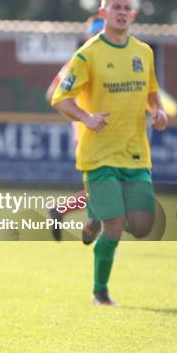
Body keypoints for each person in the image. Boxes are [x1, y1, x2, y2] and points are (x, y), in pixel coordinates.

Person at [51, 0, 168, 306]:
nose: (121, 11)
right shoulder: (87, 54)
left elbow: (151, 93)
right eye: (115, 6)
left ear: (133, 15)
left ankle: (93, 219)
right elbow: (59, 97)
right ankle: (100, 292)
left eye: (126, 7)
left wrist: (157, 111)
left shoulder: (144, 52)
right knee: (115, 225)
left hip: (135, 152)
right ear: (103, 13)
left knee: (143, 224)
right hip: (98, 153)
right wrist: (86, 117)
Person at [45, 15, 104, 243]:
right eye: (95, 33)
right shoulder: (77, 62)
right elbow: (52, 94)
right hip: (87, 130)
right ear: (88, 36)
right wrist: (80, 116)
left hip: (108, 131)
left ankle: (62, 211)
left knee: (107, 185)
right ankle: (92, 221)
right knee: (106, 184)